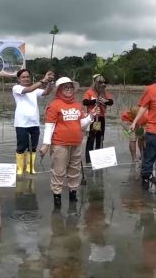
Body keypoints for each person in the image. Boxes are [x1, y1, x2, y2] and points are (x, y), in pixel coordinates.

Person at [40, 77, 98, 208]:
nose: (69, 89)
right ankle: (57, 198)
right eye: (66, 87)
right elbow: (49, 126)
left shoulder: (77, 105)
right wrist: (46, 144)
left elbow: (81, 124)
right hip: (59, 143)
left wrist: (91, 116)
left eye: (71, 87)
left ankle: (73, 194)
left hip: (76, 143)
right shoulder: (54, 105)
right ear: (59, 89)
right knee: (58, 171)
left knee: (74, 170)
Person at [12, 69, 54, 175]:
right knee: (21, 147)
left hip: (34, 123)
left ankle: (30, 167)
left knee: (33, 147)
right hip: (21, 124)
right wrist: (42, 80)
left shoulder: (35, 90)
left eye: (27, 77)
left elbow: (46, 92)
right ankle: (20, 168)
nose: (26, 79)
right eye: (23, 77)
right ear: (19, 79)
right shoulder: (16, 88)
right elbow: (29, 90)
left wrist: (49, 81)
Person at [83, 74, 113, 165]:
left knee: (100, 138)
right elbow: (85, 102)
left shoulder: (104, 92)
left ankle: (98, 159)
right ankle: (88, 160)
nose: (101, 84)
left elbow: (111, 102)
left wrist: (104, 101)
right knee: (91, 138)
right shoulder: (89, 92)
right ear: (95, 83)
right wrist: (95, 101)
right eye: (99, 83)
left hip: (101, 118)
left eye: (103, 83)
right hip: (93, 118)